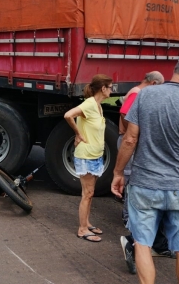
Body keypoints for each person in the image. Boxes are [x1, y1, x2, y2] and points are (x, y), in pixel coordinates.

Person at [111, 51, 179, 284]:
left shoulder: (146, 96)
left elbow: (129, 139)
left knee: (143, 244)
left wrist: (117, 173)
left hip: (144, 184)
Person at [116, 72, 173, 274]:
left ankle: (155, 242)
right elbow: (125, 113)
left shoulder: (140, 93)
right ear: (153, 83)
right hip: (129, 143)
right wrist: (129, 131)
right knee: (132, 182)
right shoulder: (137, 93)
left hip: (133, 143)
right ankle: (130, 226)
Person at [64, 74, 113, 243]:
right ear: (103, 88)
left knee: (90, 194)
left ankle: (87, 223)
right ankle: (82, 229)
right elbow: (68, 115)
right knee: (88, 193)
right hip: (86, 156)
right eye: (110, 87)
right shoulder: (90, 103)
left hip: (96, 155)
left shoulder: (98, 106)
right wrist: (77, 133)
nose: (112, 90)